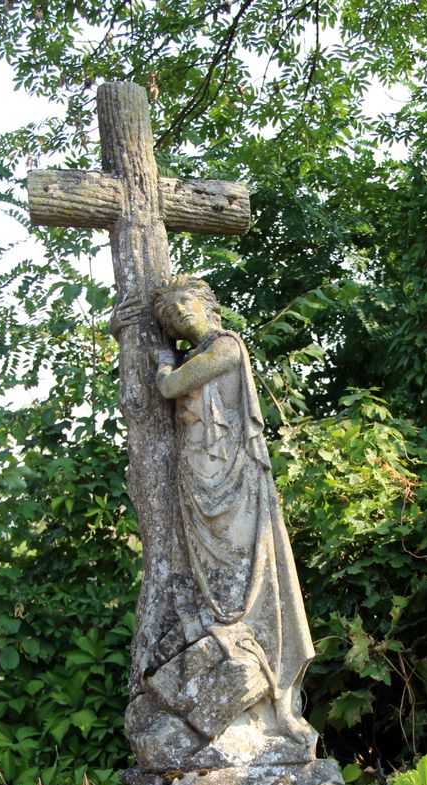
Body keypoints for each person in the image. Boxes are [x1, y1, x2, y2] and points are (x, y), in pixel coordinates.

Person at [152, 275, 314, 744]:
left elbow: (172, 386)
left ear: (208, 305)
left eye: (187, 301)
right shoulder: (193, 353)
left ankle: (275, 691)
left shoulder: (227, 346)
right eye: (169, 312)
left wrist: (164, 371)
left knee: (252, 568)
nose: (180, 311)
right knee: (211, 569)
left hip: (237, 477)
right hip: (197, 476)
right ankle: (232, 654)